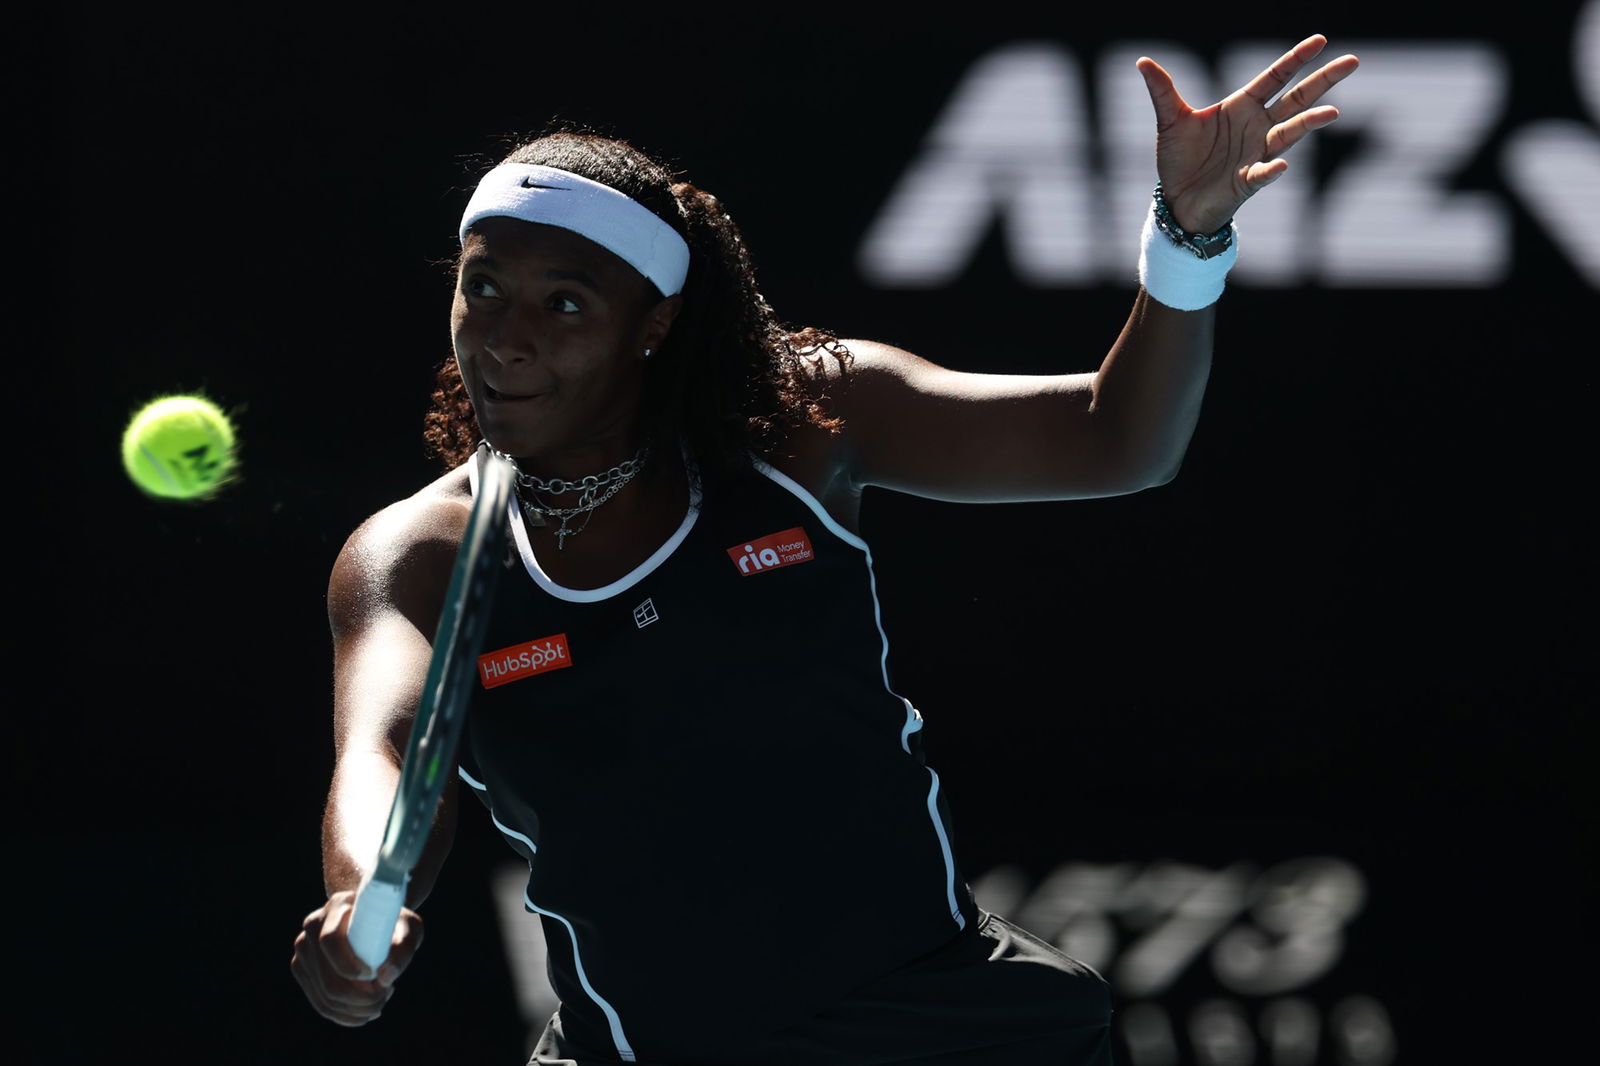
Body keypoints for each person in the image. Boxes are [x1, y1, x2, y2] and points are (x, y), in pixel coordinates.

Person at [291, 34, 1359, 1066]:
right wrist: (362, 895)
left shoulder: (808, 420)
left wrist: (1187, 237)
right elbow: (384, 757)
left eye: (564, 303)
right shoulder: (414, 555)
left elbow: (1118, 440)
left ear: (651, 325)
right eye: (480, 288)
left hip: (935, 1033)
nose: (504, 335)